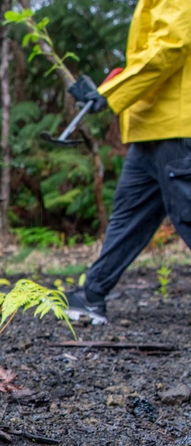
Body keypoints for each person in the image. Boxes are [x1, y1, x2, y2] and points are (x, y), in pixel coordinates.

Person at [64, 0, 190, 325]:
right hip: (149, 128)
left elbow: (171, 47)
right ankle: (92, 295)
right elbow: (146, 56)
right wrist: (108, 88)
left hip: (176, 127)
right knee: (129, 216)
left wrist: (112, 93)